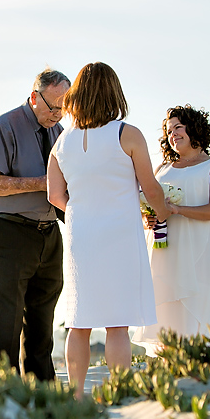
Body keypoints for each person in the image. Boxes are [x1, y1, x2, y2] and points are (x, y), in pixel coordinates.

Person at [47, 62, 169, 399]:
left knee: (79, 321)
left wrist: (83, 209)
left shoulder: (62, 143)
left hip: (80, 237)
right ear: (114, 93)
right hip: (120, 237)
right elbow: (151, 188)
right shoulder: (126, 134)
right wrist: (163, 214)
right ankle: (119, 393)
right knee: (117, 324)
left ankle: (75, 395)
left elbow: (55, 195)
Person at [0, 67, 71, 381]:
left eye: (64, 107)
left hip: (49, 235)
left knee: (43, 326)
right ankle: (3, 392)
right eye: (53, 105)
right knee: (5, 322)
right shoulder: (6, 124)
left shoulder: (60, 134)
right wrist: (42, 183)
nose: (58, 114)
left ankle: (43, 395)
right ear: (34, 97)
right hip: (8, 233)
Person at [132, 105, 210, 357]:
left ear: (195, 128)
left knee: (198, 315)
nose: (172, 134)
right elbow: (148, 209)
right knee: (165, 319)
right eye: (168, 131)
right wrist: (149, 219)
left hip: (198, 255)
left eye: (178, 127)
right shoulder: (162, 169)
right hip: (163, 254)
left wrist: (177, 211)